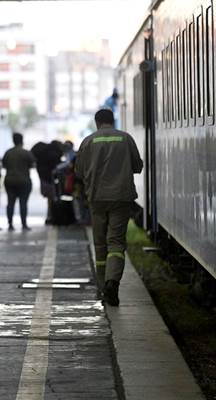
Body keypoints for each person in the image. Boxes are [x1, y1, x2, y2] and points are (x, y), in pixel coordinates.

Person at [75, 108, 143, 306]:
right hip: (121, 198)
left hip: (96, 198)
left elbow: (79, 172)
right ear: (112, 121)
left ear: (97, 122)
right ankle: (113, 283)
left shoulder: (88, 141)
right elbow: (138, 166)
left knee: (100, 243)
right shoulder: (125, 138)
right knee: (116, 243)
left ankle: (102, 286)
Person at [2, 133, 36, 231]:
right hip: (24, 181)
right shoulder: (26, 153)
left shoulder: (8, 152)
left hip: (10, 180)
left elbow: (3, 165)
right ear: (22, 140)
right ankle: (24, 224)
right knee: (23, 203)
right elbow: (33, 165)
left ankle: (10, 224)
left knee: (10, 203)